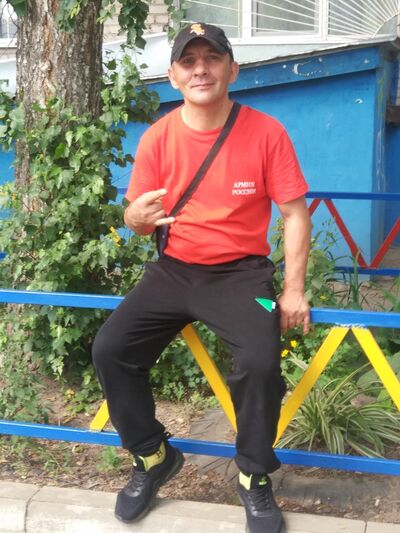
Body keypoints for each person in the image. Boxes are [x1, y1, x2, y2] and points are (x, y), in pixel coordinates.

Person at [92, 22, 311, 533]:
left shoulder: (266, 133)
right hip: (174, 270)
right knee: (110, 349)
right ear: (173, 76)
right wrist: (133, 218)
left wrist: (293, 290)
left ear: (232, 69)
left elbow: (295, 215)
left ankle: (253, 475)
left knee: (260, 364)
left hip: (242, 276)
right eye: (188, 61)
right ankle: (152, 456)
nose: (200, 70)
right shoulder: (158, 137)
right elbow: (136, 216)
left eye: (212, 58)